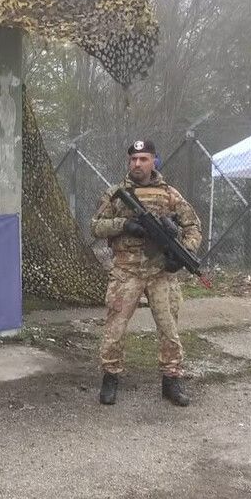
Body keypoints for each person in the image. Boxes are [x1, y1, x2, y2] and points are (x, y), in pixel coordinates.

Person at [90, 139, 202, 407]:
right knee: (115, 329)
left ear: (154, 161)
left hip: (161, 273)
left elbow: (193, 226)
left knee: (169, 329)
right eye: (133, 159)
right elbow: (95, 227)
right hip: (126, 272)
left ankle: (171, 380)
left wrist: (182, 253)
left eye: (143, 159)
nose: (137, 164)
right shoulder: (116, 194)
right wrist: (124, 225)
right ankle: (110, 377)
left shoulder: (170, 195)